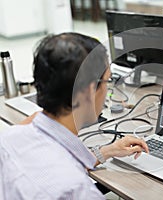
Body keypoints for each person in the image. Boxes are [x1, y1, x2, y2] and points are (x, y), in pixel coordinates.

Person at [0, 32, 149, 199]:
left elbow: (51, 165)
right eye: (107, 81)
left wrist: (109, 151)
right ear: (89, 91)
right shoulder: (77, 191)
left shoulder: (8, 139)